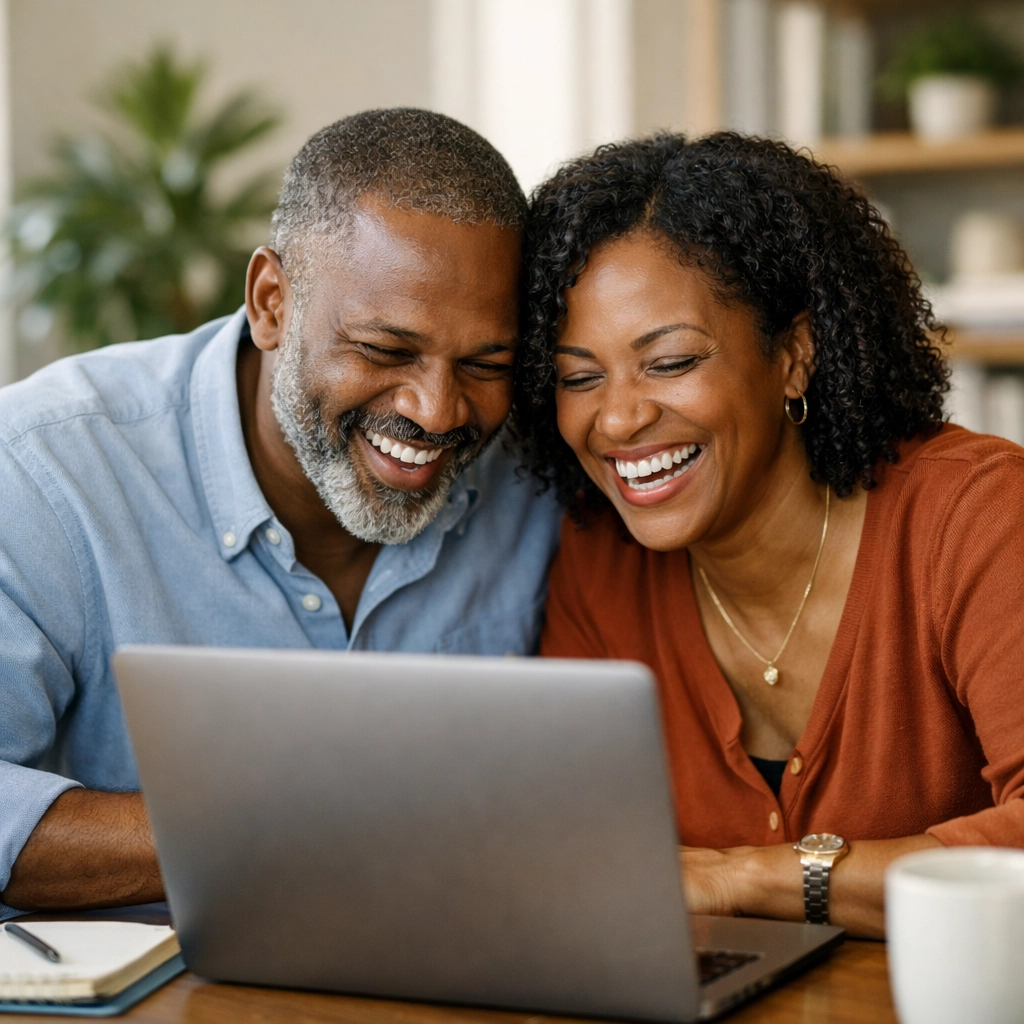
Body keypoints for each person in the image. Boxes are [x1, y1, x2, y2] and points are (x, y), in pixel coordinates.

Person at [0, 109, 560, 916]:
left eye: (485, 363)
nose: (437, 412)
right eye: (383, 350)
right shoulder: (47, 469)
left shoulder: (537, 474)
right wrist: (295, 827)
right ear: (271, 302)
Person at [514, 132, 1024, 939]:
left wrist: (741, 876)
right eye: (579, 377)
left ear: (794, 355)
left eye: (671, 361)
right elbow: (566, 846)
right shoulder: (598, 565)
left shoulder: (978, 517)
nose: (617, 418)